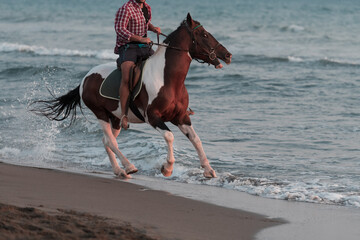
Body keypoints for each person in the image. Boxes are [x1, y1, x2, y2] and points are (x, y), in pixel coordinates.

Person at [114, 0, 161, 130]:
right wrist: (139, 38)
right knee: (127, 77)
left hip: (144, 46)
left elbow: (144, 23)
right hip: (128, 47)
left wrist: (153, 28)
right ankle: (123, 115)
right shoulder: (126, 8)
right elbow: (120, 29)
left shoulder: (147, 8)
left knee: (160, 69)